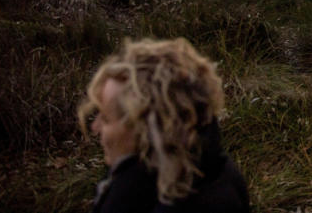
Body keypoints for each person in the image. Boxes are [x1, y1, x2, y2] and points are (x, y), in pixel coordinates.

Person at [78, 38, 250, 213]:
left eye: (106, 119)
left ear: (146, 128)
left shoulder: (207, 202)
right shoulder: (152, 176)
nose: (95, 127)